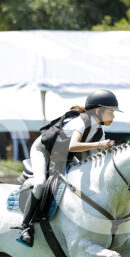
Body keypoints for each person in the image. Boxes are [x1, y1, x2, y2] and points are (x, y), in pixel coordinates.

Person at [17, 89, 119, 247]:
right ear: (98, 111)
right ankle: (25, 226)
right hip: (44, 151)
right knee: (40, 184)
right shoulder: (81, 122)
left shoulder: (98, 131)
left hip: (64, 156)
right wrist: (99, 144)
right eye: (111, 112)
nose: (113, 116)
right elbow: (73, 146)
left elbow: (101, 155)